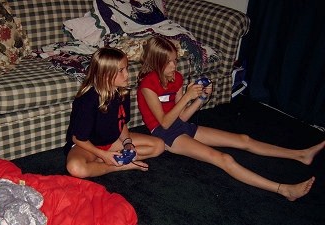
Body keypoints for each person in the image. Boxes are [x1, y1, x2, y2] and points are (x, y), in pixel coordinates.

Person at [137, 36, 325, 201]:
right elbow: (164, 122)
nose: (174, 66)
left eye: (175, 61)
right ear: (156, 62)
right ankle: (284, 189)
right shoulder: (147, 85)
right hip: (164, 134)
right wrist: (187, 96)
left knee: (244, 139)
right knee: (224, 158)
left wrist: (201, 99)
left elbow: (182, 117)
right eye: (168, 62)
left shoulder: (176, 78)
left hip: (180, 126)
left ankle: (301, 154)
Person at [64, 47, 164, 178]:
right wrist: (103, 155)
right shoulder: (88, 99)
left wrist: (127, 143)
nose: (127, 74)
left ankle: (103, 162)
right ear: (105, 74)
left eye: (126, 68)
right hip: (88, 146)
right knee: (75, 168)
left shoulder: (122, 92)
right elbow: (78, 138)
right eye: (121, 71)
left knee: (159, 146)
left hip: (112, 141)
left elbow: (121, 123)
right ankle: (118, 165)